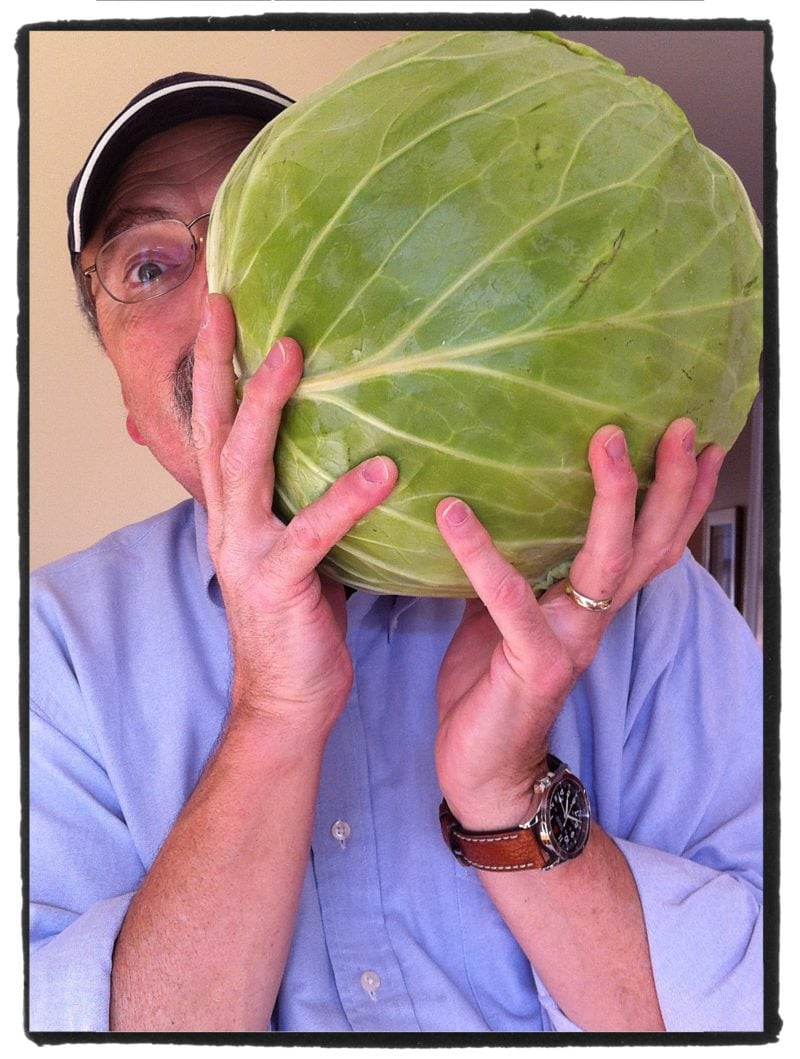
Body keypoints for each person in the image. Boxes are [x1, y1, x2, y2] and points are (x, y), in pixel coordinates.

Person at [29, 67, 763, 1035]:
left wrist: (508, 802)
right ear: (129, 412)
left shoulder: (633, 596)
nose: (221, 300)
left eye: (275, 219)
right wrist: (273, 716)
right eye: (149, 268)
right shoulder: (56, 652)